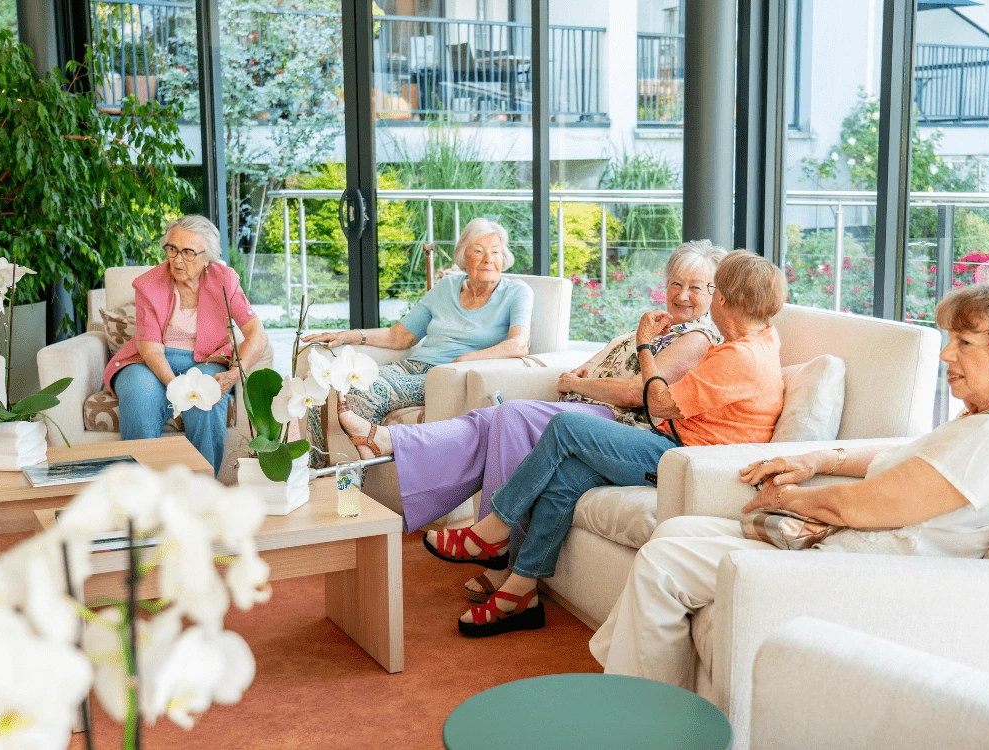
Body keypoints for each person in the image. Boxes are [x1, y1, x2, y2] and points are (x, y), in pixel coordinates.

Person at [589, 285, 989, 688]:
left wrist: (784, 499)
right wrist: (820, 457)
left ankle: (643, 714)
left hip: (868, 577)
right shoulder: (987, 422)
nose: (947, 354)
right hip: (856, 555)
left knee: (665, 560)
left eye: (965, 344)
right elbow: (898, 461)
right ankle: (646, 695)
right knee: (676, 532)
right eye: (949, 340)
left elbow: (863, 507)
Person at [332, 240, 729, 601]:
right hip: (592, 407)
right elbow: (598, 370)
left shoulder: (697, 337)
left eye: (696, 287)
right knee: (493, 421)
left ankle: (494, 549)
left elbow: (635, 392)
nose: (683, 295)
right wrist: (581, 378)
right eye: (676, 284)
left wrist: (580, 384)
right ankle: (388, 441)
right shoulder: (658, 325)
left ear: (714, 294)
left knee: (513, 415)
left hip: (617, 424)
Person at [422, 250, 790, 637]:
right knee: (567, 473)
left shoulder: (738, 356)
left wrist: (645, 344)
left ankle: (492, 531)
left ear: (725, 301)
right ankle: (520, 593)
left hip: (682, 457)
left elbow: (658, 401)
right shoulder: (763, 338)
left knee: (566, 427)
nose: (706, 298)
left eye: (711, 290)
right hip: (682, 447)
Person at [302, 218, 533, 436]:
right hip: (413, 366)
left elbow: (519, 345)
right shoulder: (446, 287)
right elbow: (399, 337)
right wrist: (346, 336)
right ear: (464, 256)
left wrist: (467, 358)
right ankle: (316, 468)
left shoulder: (516, 292)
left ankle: (354, 475)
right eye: (479, 251)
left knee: (364, 390)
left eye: (495, 252)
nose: (488, 259)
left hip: (445, 376)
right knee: (327, 383)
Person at [104, 215, 268, 471]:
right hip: (149, 361)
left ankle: (200, 496)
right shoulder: (148, 284)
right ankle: (138, 495)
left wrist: (235, 374)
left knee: (204, 402)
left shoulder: (225, 280)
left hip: (208, 360)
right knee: (139, 393)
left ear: (207, 257)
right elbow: (150, 349)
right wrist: (178, 388)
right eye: (172, 249)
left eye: (188, 252)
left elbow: (256, 332)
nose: (178, 260)